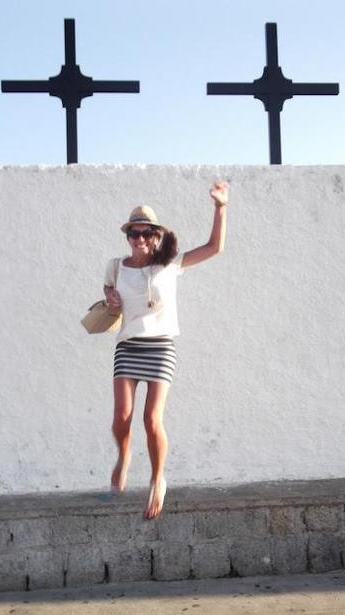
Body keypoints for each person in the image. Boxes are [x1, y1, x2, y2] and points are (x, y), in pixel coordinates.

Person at [103, 181, 228, 519]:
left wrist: (220, 208)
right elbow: (109, 296)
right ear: (127, 236)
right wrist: (111, 298)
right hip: (128, 346)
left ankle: (158, 478)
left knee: (150, 419)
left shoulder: (171, 264)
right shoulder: (116, 266)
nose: (139, 239)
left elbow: (215, 247)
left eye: (146, 233)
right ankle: (124, 456)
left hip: (160, 347)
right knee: (121, 418)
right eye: (134, 233)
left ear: (155, 235)